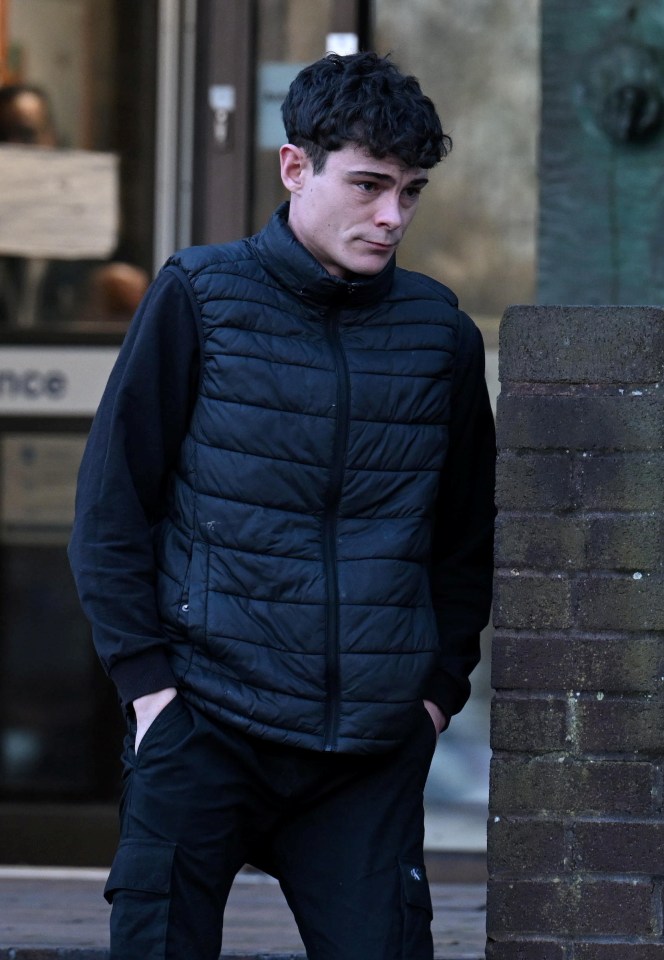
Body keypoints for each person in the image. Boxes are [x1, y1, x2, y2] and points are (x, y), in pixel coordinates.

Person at [68, 51, 496, 960]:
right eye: (371, 185)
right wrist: (150, 693)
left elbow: (462, 541)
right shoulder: (199, 297)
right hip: (204, 723)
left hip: (368, 754)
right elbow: (112, 511)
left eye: (412, 192)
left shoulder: (440, 336)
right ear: (295, 167)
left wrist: (435, 695)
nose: (392, 217)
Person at [0, 83, 149, 324]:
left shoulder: (94, 227)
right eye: (2, 136)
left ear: (51, 139)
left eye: (26, 134)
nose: (11, 147)